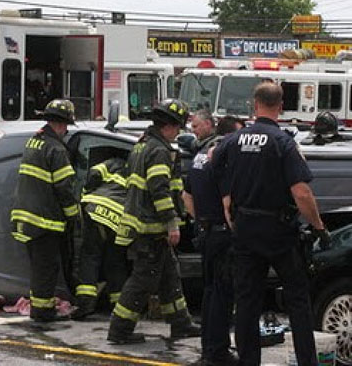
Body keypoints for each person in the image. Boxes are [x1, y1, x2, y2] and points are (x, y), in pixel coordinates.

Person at [212, 82, 330, 366]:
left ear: (254, 105)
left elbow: (214, 159)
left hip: (245, 229)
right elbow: (301, 193)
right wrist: (318, 227)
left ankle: (248, 361)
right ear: (281, 106)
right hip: (278, 232)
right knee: (298, 300)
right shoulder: (283, 143)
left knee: (247, 303)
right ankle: (307, 361)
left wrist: (227, 198)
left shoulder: (234, 139)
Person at [107, 99, 201, 345]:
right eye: (178, 127)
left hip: (146, 225)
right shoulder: (158, 150)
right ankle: (120, 330)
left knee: (169, 276)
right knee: (142, 281)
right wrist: (171, 223)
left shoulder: (143, 145)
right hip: (150, 228)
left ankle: (180, 323)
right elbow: (159, 190)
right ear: (168, 125)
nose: (178, 133)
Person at [182, 116, 244, 366]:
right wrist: (234, 231)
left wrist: (201, 221)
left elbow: (186, 196)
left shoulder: (200, 156)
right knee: (222, 295)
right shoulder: (222, 158)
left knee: (209, 293)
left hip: (206, 232)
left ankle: (209, 349)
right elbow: (228, 204)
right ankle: (218, 352)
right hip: (221, 234)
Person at [10, 99, 79, 323]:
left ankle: (42, 308)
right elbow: (64, 188)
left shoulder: (35, 141)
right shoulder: (56, 149)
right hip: (44, 220)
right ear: (62, 124)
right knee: (46, 268)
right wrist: (74, 215)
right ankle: (42, 312)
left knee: (40, 266)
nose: (66, 131)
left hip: (28, 216)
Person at [71, 155, 130, 320]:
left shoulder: (114, 162)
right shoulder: (138, 171)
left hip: (96, 211)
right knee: (115, 261)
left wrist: (85, 193)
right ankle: (118, 306)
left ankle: (85, 303)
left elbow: (94, 173)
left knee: (90, 256)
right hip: (119, 218)